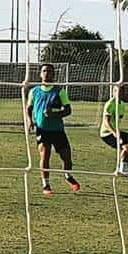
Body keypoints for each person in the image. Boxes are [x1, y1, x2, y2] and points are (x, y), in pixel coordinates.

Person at [26, 62, 80, 197]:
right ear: (40, 74)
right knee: (45, 155)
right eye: (44, 71)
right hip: (42, 130)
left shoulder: (60, 91)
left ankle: (68, 176)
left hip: (57, 130)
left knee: (66, 157)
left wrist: (54, 114)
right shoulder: (34, 91)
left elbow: (68, 110)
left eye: (50, 71)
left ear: (54, 74)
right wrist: (30, 121)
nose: (47, 73)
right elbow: (28, 108)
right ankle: (46, 184)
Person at [101, 84, 128, 175]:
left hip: (116, 131)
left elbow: (118, 120)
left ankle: (126, 162)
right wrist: (114, 133)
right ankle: (122, 169)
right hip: (107, 133)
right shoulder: (110, 104)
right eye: (116, 91)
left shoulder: (122, 105)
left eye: (121, 92)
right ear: (113, 92)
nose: (118, 94)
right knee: (127, 146)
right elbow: (106, 122)